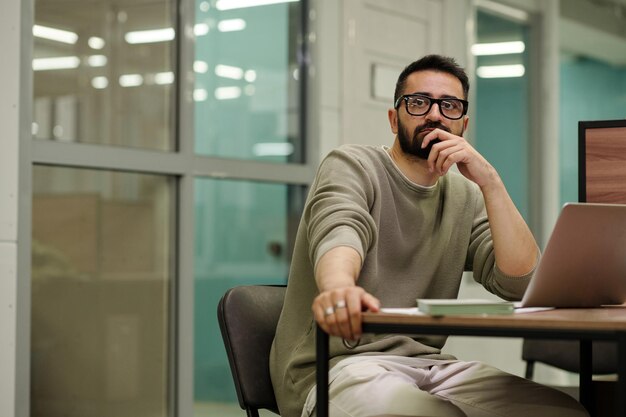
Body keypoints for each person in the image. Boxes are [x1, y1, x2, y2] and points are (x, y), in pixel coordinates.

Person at [269, 54, 588, 417]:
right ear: (394, 118)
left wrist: (491, 182)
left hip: (428, 366)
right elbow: (340, 228)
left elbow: (521, 284)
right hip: (335, 367)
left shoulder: (465, 194)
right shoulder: (352, 165)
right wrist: (339, 286)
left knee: (564, 412)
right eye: (418, 102)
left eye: (449, 106)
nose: (434, 114)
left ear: (462, 125)